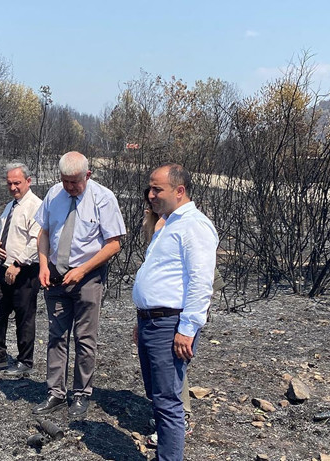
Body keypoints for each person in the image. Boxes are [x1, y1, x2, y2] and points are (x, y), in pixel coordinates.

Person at [132, 163, 219, 461]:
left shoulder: (194, 225)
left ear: (179, 191)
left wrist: (188, 328)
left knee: (168, 401)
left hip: (170, 323)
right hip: (151, 321)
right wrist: (140, 319)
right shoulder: (167, 223)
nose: (151, 195)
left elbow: (200, 281)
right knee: (158, 397)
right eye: (150, 189)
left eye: (157, 189)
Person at [31, 151, 126, 418]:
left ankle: (82, 394)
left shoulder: (103, 198)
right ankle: (55, 393)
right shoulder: (53, 195)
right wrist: (42, 265)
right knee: (56, 335)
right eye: (66, 182)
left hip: (88, 277)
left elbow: (114, 244)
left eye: (76, 182)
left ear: (88, 175)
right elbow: (44, 232)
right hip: (56, 275)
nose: (71, 187)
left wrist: (82, 270)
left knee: (85, 338)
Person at [0, 163, 43, 378]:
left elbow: (37, 240)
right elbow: (1, 231)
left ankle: (25, 361)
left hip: (25, 270)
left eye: (17, 183)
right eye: (10, 183)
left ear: (28, 181)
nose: (13, 187)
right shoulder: (11, 205)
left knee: (24, 316)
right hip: (5, 266)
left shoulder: (36, 206)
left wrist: (19, 264)